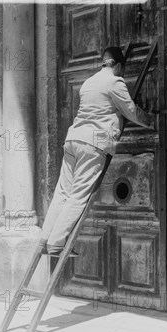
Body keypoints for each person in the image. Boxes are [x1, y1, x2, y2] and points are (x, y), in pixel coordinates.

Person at [39, 47, 154, 256]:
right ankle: (56, 243)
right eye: (122, 69)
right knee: (79, 195)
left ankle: (45, 238)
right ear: (118, 66)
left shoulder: (88, 82)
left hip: (73, 139)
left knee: (62, 193)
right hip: (93, 145)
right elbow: (131, 111)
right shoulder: (115, 82)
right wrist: (150, 120)